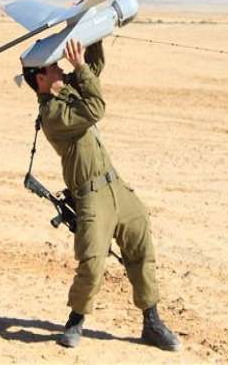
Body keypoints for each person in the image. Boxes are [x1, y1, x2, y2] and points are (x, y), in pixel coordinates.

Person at [21, 38, 180, 351]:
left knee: (141, 246)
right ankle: (75, 320)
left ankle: (151, 322)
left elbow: (93, 67)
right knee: (92, 262)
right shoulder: (53, 114)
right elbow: (95, 107)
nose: (61, 69)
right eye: (54, 67)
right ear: (40, 78)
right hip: (92, 196)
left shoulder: (64, 91)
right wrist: (79, 69)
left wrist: (89, 32)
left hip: (116, 185)